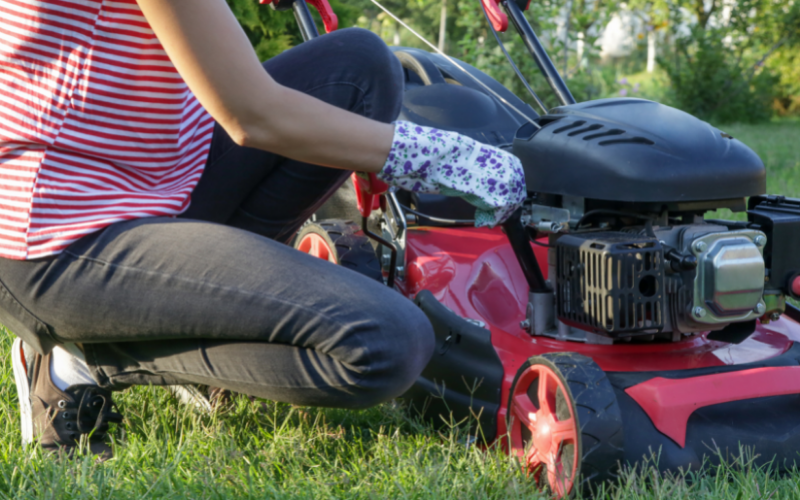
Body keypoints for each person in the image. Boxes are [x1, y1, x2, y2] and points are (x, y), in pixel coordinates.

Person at [0, 0, 526, 459]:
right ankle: (77, 357)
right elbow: (254, 116)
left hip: (159, 174)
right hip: (57, 236)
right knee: (389, 342)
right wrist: (441, 157)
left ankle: (225, 307)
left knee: (358, 68)